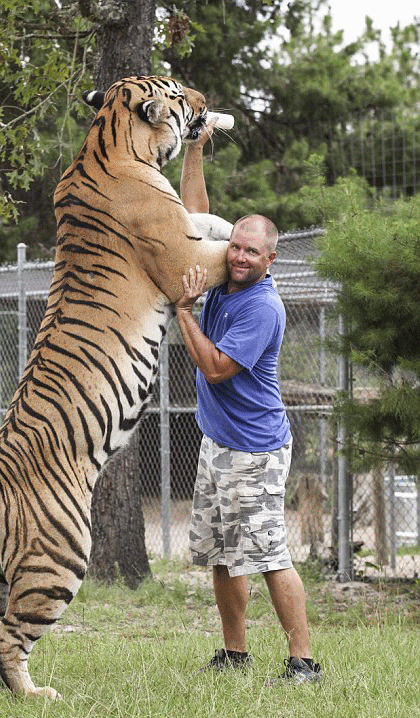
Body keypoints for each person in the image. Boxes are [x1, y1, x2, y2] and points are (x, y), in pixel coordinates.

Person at [175, 121, 322, 684]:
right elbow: (193, 220)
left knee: (267, 556)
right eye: (235, 246)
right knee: (220, 553)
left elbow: (215, 369)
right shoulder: (223, 273)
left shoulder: (261, 307)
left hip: (255, 452)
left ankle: (302, 662)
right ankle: (234, 653)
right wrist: (194, 147)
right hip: (218, 445)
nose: (238, 256)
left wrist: (184, 311)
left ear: (270, 260)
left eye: (251, 251)